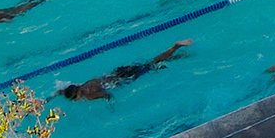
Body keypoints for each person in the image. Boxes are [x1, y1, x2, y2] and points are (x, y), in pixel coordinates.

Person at [61, 40, 192, 101]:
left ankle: (175, 47)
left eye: (74, 98)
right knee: (150, 65)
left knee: (153, 64)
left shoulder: (88, 95)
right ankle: (177, 56)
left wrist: (111, 104)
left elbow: (106, 95)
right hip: (118, 72)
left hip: (123, 79)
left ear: (78, 92)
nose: (75, 100)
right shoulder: (84, 84)